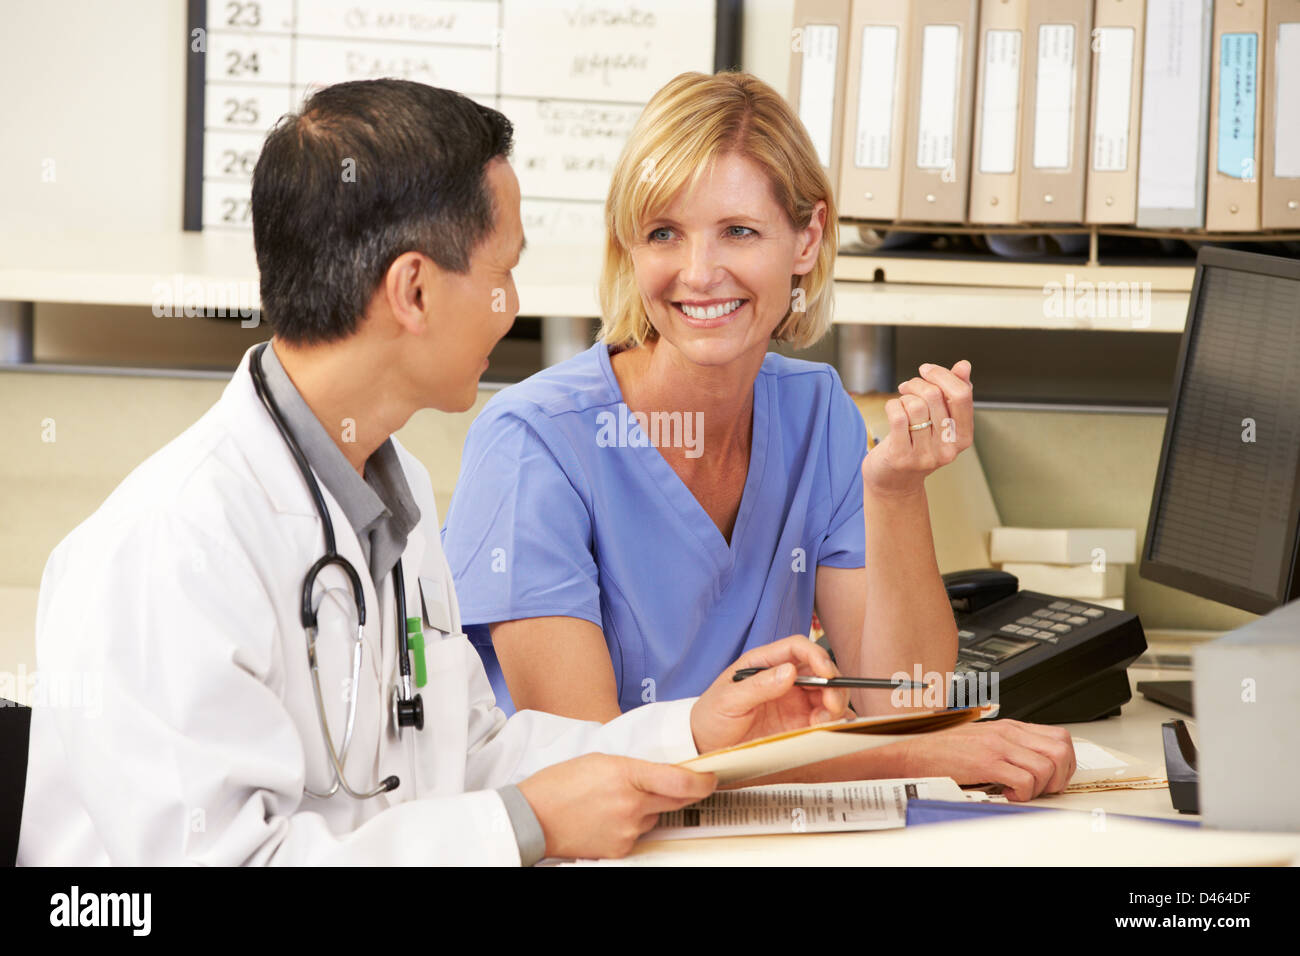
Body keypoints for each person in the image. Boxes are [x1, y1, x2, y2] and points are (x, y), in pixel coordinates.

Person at [16, 79, 851, 866]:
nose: (515, 304)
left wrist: (695, 731)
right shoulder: (170, 545)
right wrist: (522, 826)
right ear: (414, 290)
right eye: (502, 271)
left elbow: (465, 750)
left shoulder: (390, 489)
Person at [441, 71, 1075, 801]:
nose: (699, 273)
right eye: (663, 234)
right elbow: (595, 771)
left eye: (738, 231)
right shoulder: (535, 442)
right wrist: (904, 759)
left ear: (806, 238)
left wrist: (895, 490)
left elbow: (906, 704)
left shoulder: (817, 412)